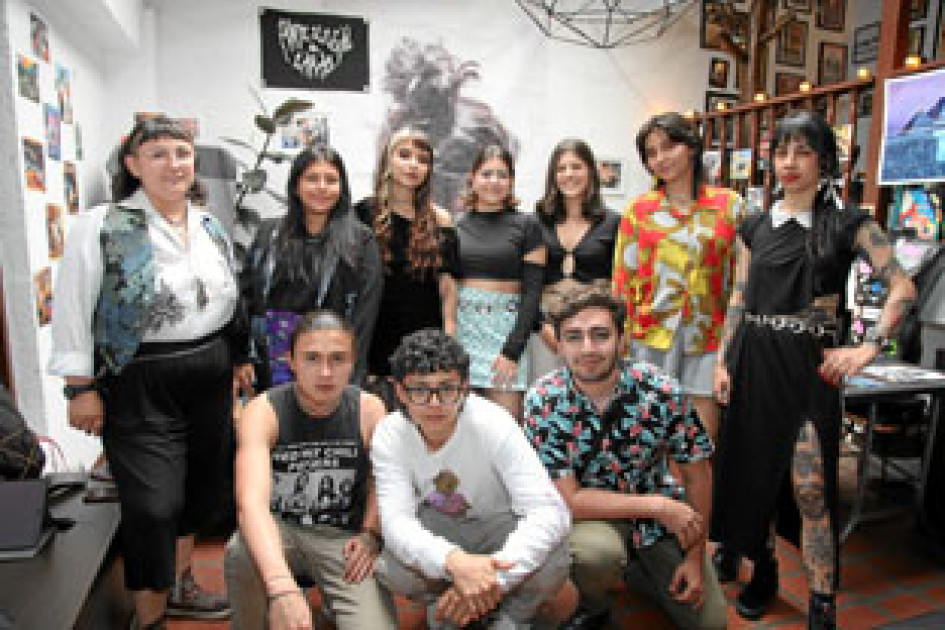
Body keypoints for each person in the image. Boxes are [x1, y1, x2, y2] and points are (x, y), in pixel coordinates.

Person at [711, 110, 916, 629]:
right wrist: (723, 358)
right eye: (781, 152)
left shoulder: (850, 224)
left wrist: (868, 348)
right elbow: (739, 296)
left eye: (803, 152)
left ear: (824, 160)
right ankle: (764, 571)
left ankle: (822, 596)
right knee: (751, 477)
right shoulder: (753, 226)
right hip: (753, 361)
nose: (790, 163)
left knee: (812, 487)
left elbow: (903, 289)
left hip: (808, 369)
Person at [48, 116, 245, 628]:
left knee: (199, 494)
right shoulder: (103, 224)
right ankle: (149, 616)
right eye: (157, 154)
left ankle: (180, 587)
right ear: (133, 165)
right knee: (152, 505)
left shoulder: (209, 224)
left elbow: (228, 299)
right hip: (138, 381)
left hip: (208, 374)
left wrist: (238, 360)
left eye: (181, 152)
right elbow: (72, 307)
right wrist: (80, 388)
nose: (172, 164)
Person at [524, 287, 727, 630]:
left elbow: (697, 473)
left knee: (711, 624)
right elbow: (570, 500)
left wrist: (694, 557)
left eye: (600, 335)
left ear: (622, 339)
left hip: (655, 520)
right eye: (574, 337)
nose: (588, 349)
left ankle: (638, 570)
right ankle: (593, 605)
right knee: (596, 556)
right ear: (557, 344)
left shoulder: (661, 391)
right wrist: (657, 507)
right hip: (589, 521)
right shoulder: (543, 402)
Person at [371, 328, 576, 629]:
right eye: (419, 389)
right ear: (400, 391)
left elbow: (550, 511)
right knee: (392, 568)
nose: (434, 402)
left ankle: (503, 615)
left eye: (447, 388)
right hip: (445, 530)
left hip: (501, 528)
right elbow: (396, 522)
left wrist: (494, 580)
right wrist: (452, 562)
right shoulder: (390, 433)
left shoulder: (493, 422)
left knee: (554, 559)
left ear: (465, 387)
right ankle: (451, 602)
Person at [224, 311, 397, 630]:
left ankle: (331, 604)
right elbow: (251, 504)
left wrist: (372, 533)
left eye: (338, 359)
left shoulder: (370, 410)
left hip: (343, 540)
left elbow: (383, 481)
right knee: (242, 550)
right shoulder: (264, 411)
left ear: (353, 361)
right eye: (312, 358)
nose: (325, 372)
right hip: (280, 532)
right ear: (290, 360)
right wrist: (281, 588)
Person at [612, 112, 742, 443]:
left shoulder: (729, 205)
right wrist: (619, 335)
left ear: (692, 147)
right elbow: (622, 280)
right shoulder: (639, 211)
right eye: (651, 153)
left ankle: (695, 497)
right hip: (649, 335)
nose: (661, 159)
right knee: (649, 438)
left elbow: (743, 280)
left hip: (708, 337)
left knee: (701, 441)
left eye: (668, 147)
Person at [242, 145, 382, 388]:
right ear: (296, 186)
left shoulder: (360, 240)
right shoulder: (269, 233)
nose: (322, 187)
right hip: (273, 363)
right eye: (312, 179)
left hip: (333, 363)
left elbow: (365, 314)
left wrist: (352, 373)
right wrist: (242, 357)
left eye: (331, 180)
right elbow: (247, 298)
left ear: (342, 188)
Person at [355, 128, 458, 396]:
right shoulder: (363, 214)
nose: (413, 165)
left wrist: (448, 336)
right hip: (376, 340)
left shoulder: (441, 219)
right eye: (404, 155)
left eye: (422, 159)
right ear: (387, 160)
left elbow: (447, 288)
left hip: (426, 340)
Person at [454, 144, 546, 418]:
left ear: (512, 182)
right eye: (487, 174)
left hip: (505, 339)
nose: (494, 181)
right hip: (464, 336)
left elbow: (532, 293)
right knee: (462, 427)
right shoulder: (456, 226)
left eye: (502, 175)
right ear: (472, 178)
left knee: (506, 429)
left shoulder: (528, 226)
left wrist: (513, 350)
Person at [533, 138, 619, 381]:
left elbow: (621, 283)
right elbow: (529, 282)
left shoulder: (614, 223)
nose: (569, 174)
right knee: (547, 401)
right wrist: (541, 326)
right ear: (553, 176)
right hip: (548, 331)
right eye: (561, 168)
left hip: (595, 335)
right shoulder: (537, 222)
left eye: (577, 167)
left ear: (591, 171)